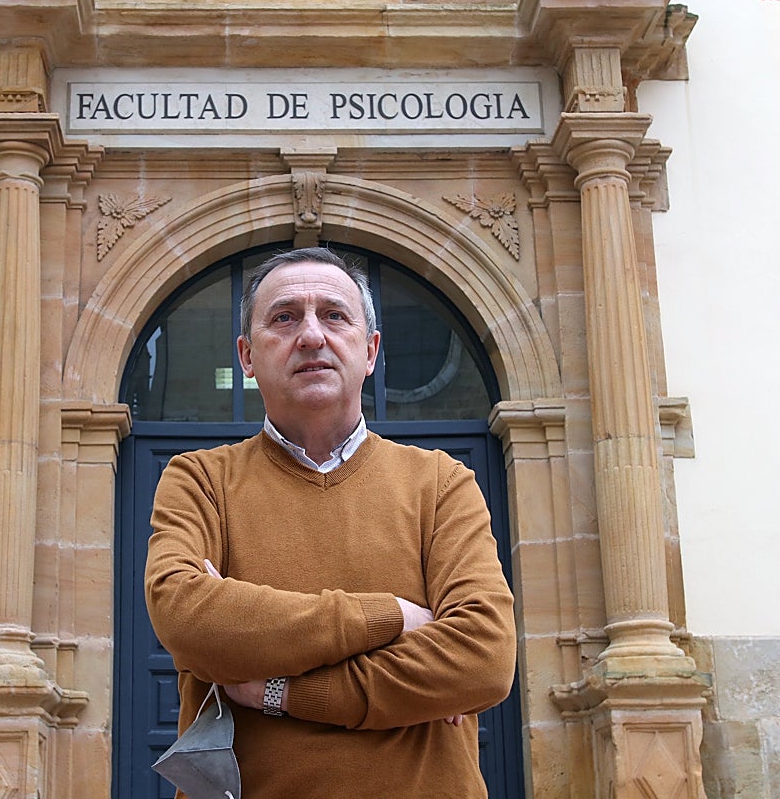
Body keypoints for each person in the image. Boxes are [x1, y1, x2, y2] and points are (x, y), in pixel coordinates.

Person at [144, 247, 516, 798]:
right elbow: (186, 617)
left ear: (370, 351)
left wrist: (281, 692)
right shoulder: (200, 480)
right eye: (285, 317)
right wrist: (390, 617)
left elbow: (484, 659)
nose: (312, 335)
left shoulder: (441, 483)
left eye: (335, 315)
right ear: (247, 356)